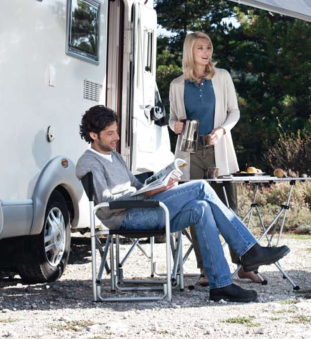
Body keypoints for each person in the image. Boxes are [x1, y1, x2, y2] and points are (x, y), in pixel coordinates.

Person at [75, 105, 290, 303]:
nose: (117, 138)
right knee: (201, 188)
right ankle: (250, 251)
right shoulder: (89, 162)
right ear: (93, 135)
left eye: (116, 131)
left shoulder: (115, 156)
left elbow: (135, 185)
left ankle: (221, 284)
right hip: (126, 217)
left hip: (144, 207)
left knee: (201, 208)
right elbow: (106, 202)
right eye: (110, 133)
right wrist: (153, 192)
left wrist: (164, 175)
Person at [169, 31, 261, 285]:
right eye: (200, 48)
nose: (206, 52)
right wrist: (174, 126)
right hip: (190, 153)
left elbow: (234, 111)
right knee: (197, 211)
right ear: (190, 51)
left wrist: (222, 130)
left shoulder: (221, 78)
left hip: (217, 150)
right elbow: (173, 118)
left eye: (208, 47)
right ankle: (205, 270)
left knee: (229, 208)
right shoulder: (177, 85)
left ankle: (244, 264)